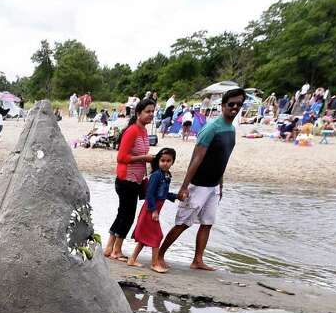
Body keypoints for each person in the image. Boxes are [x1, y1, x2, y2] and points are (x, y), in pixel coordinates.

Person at [156, 87, 246, 272]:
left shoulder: (231, 129)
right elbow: (196, 159)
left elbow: (223, 159)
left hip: (214, 186)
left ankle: (198, 260)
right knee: (183, 223)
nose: (235, 107)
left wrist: (220, 185)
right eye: (231, 104)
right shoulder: (211, 128)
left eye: (239, 104)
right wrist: (184, 187)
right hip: (198, 185)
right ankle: (160, 255)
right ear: (222, 106)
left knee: (207, 222)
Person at [104, 97, 155, 262]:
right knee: (128, 215)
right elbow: (122, 157)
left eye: (153, 112)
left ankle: (109, 247)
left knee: (122, 213)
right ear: (138, 113)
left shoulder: (144, 131)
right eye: (147, 111)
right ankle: (117, 250)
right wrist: (144, 158)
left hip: (135, 179)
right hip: (127, 179)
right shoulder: (132, 130)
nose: (151, 115)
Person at [127, 148, 179, 273]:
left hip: (154, 209)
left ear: (172, 162)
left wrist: (176, 196)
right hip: (150, 209)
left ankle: (132, 259)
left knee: (145, 237)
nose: (165, 163)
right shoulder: (156, 175)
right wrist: (154, 210)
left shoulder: (166, 176)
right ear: (158, 161)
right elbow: (149, 193)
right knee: (157, 235)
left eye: (168, 161)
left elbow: (163, 193)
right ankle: (155, 263)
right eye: (162, 160)